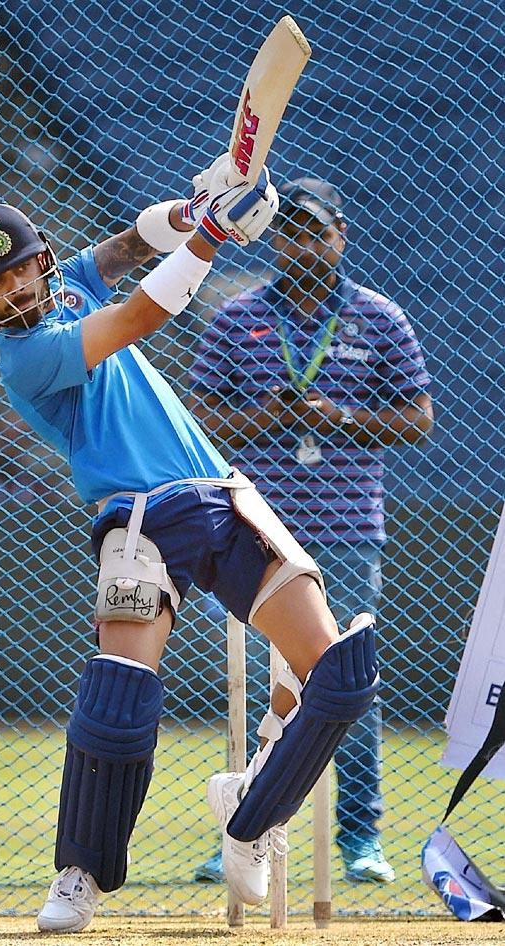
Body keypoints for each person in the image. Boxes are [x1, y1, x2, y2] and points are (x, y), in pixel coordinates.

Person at [0, 156, 380, 934]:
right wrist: (214, 232)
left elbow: (124, 251)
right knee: (120, 699)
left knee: (341, 674)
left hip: (223, 495)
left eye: (17, 272)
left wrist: (190, 209)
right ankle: (79, 875)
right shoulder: (27, 358)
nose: (10, 291)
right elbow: (142, 315)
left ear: (41, 262)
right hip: (138, 517)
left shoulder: (72, 281)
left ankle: (251, 812)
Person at [189, 176, 434, 885]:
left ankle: (361, 836)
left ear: (339, 236)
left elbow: (418, 419)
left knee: (348, 680)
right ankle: (245, 829)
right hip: (256, 530)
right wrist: (265, 419)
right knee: (253, 682)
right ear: (275, 240)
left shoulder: (378, 317)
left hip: (348, 528)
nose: (301, 243)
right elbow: (200, 417)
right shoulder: (235, 317)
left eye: (314, 231)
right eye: (289, 232)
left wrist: (342, 419)